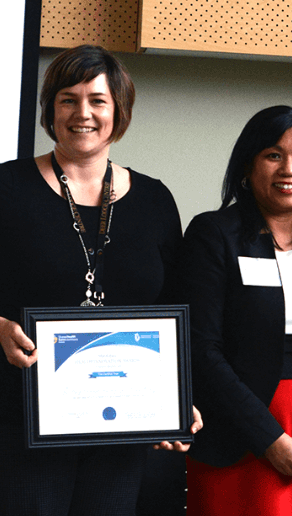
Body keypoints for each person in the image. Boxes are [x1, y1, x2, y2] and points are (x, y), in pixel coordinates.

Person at [0, 44, 200, 515]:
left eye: (97, 100)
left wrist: (177, 398)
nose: (82, 113)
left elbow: (174, 307)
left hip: (120, 426)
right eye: (67, 99)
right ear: (50, 109)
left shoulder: (154, 200)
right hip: (22, 423)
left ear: (119, 110)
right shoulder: (7, 188)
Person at [182, 105, 292, 516]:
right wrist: (267, 437)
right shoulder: (214, 234)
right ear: (248, 164)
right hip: (236, 432)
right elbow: (201, 348)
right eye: (273, 155)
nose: (289, 168)